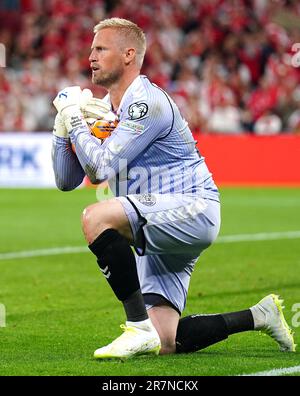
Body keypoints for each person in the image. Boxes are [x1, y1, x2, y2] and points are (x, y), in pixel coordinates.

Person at [51, 17, 295, 359]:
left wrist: (75, 120)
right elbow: (66, 181)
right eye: (92, 48)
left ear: (128, 55)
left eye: (101, 48)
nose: (90, 56)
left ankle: (137, 325)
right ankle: (260, 315)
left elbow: (102, 167)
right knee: (167, 342)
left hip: (191, 207)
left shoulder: (146, 102)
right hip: (154, 217)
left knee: (95, 217)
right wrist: (62, 127)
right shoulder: (104, 109)